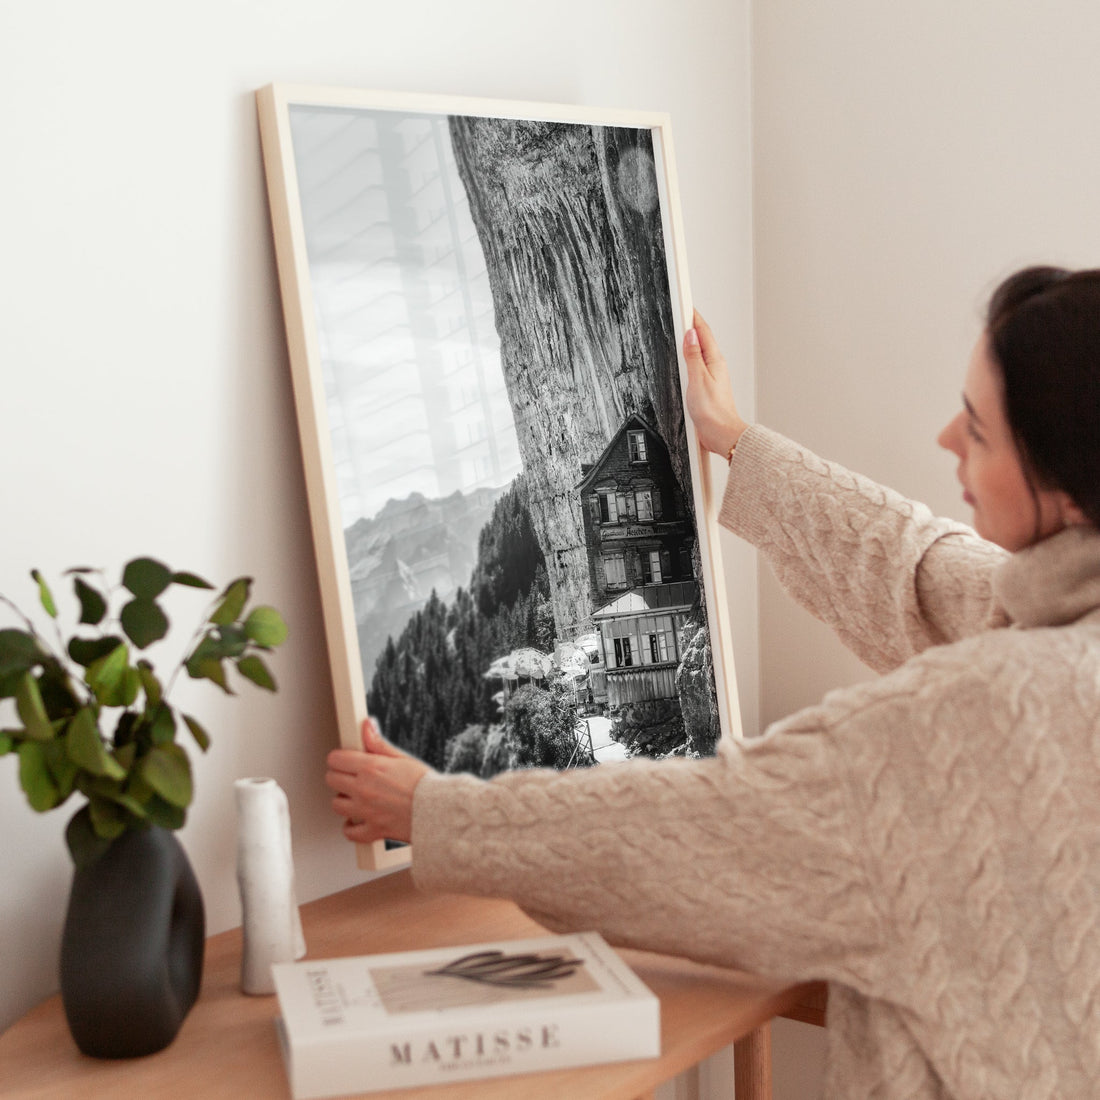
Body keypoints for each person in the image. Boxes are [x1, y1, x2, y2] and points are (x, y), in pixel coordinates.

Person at [326, 266, 1100, 1099]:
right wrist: (734, 440)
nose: (948, 437)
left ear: (1064, 488)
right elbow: (916, 568)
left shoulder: (979, 716)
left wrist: (435, 813)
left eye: (980, 432)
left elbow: (706, 827)